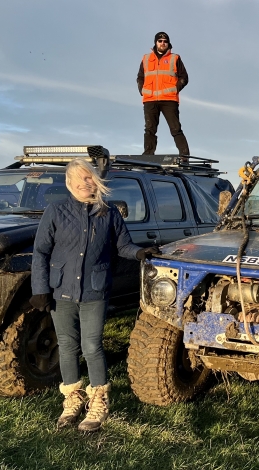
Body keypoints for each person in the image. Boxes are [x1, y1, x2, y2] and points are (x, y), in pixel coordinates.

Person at [31, 159, 158, 432]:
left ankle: (98, 400)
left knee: (92, 346)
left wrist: (139, 252)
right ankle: (72, 399)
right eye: (79, 178)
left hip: (95, 291)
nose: (85, 183)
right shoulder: (56, 211)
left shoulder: (109, 213)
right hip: (61, 291)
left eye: (89, 178)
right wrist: (39, 289)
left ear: (97, 182)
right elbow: (41, 252)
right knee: (66, 345)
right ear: (69, 182)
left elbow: (122, 245)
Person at [137, 31, 190, 156]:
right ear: (155, 42)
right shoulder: (146, 58)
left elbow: (184, 77)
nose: (162, 43)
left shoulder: (175, 58)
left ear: (168, 43)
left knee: (175, 129)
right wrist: (142, 89)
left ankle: (184, 156)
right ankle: (148, 155)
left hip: (169, 100)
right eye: (160, 41)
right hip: (150, 99)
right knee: (149, 129)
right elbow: (140, 77)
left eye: (165, 41)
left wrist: (175, 89)